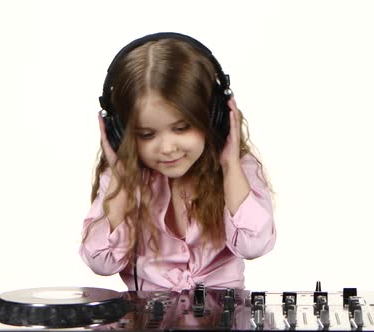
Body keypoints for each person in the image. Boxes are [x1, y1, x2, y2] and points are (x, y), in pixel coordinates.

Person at [79, 33, 275, 292]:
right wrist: (121, 177)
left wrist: (229, 165)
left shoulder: (237, 169)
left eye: (182, 128)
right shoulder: (120, 179)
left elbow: (254, 245)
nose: (167, 148)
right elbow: (101, 262)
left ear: (215, 118)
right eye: (147, 135)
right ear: (120, 134)